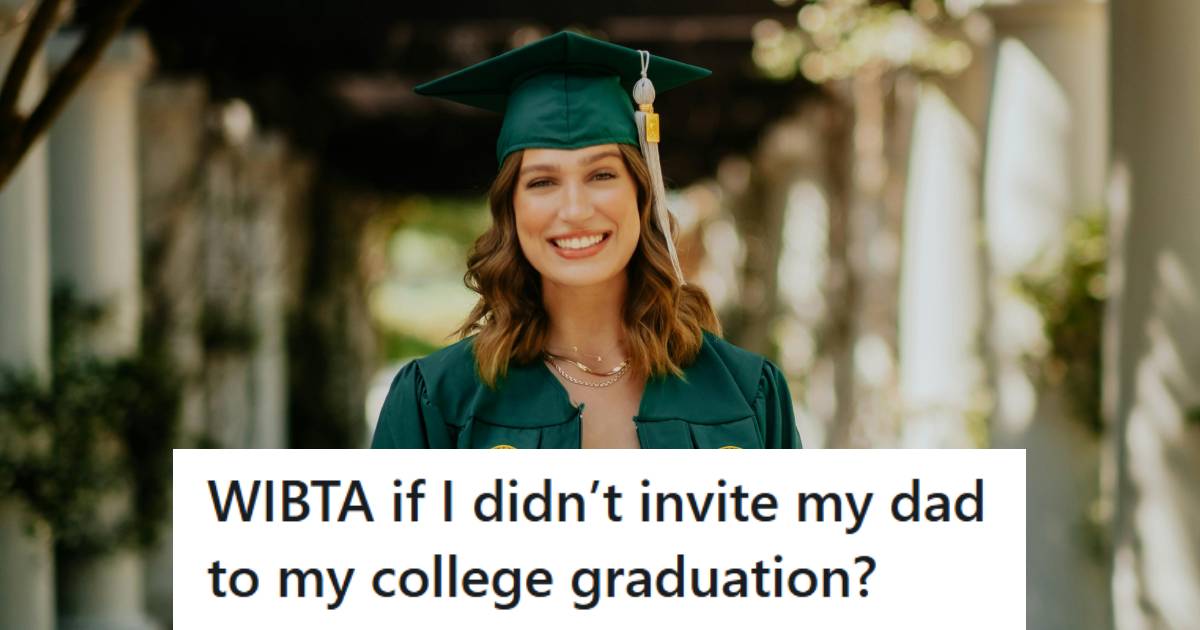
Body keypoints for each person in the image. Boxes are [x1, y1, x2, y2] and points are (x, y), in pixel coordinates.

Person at [371, 31, 801, 449]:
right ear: (511, 210)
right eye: (542, 182)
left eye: (601, 175)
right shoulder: (438, 397)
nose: (575, 209)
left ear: (641, 193)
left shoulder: (748, 391)